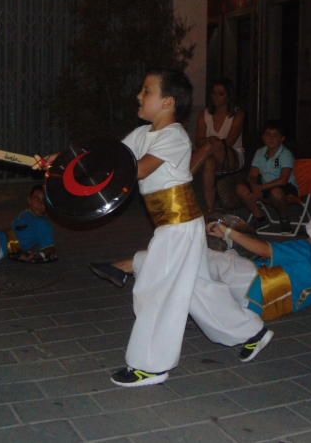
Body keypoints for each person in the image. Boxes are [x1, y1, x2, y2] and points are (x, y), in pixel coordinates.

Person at [110, 68, 270, 387]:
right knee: (198, 290)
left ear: (168, 101)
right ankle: (252, 331)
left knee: (155, 288)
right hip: (178, 225)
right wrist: (62, 164)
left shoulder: (173, 136)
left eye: (147, 90)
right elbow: (111, 157)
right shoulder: (142, 134)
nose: (139, 96)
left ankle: (151, 365)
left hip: (178, 227)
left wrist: (97, 170)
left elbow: (136, 170)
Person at [205, 217, 311, 318]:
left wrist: (229, 231)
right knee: (226, 258)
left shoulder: (308, 250)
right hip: (262, 308)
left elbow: (264, 250)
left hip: (251, 286)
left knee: (202, 258)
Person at [190, 78, 245, 214]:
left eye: (221, 94)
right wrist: (210, 141)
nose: (216, 97)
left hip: (232, 155)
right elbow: (198, 140)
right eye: (214, 93)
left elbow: (229, 142)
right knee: (208, 162)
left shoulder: (238, 114)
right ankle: (210, 209)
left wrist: (210, 141)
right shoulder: (204, 114)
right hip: (210, 155)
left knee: (213, 143)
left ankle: (185, 174)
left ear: (228, 96)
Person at [236, 120, 298, 230]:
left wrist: (260, 188)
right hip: (265, 185)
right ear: (263, 137)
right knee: (241, 188)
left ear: (282, 138)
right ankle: (260, 218)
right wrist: (254, 186)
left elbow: (283, 180)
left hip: (286, 187)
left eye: (275, 135)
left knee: (276, 192)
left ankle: (284, 218)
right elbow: (253, 174)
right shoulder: (260, 152)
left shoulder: (285, 154)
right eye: (267, 134)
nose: (271, 138)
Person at [0, 185, 57, 263]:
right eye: (36, 198)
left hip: (0, 247)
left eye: (44, 200)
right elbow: (11, 229)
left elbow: (50, 250)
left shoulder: (43, 224)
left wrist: (32, 256)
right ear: (29, 200)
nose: (40, 202)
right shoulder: (25, 214)